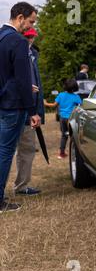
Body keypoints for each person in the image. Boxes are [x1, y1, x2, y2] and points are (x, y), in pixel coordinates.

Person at [0, 2, 40, 213]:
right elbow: (23, 79)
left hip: (4, 100)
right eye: (31, 21)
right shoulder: (17, 40)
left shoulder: (1, 36)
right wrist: (32, 111)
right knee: (5, 152)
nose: (30, 26)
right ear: (20, 17)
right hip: (14, 106)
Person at [13, 27, 45, 196]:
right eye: (27, 36)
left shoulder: (33, 55)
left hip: (28, 110)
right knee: (6, 150)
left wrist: (37, 111)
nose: (30, 39)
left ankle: (22, 186)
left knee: (27, 149)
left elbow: (36, 84)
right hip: (11, 108)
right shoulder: (12, 51)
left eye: (32, 37)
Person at [44, 79, 81, 159]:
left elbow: (54, 105)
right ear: (75, 87)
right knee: (74, 136)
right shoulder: (76, 97)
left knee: (64, 135)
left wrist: (45, 103)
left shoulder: (61, 95)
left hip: (62, 118)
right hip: (71, 119)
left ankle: (61, 153)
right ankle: (75, 154)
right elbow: (81, 107)